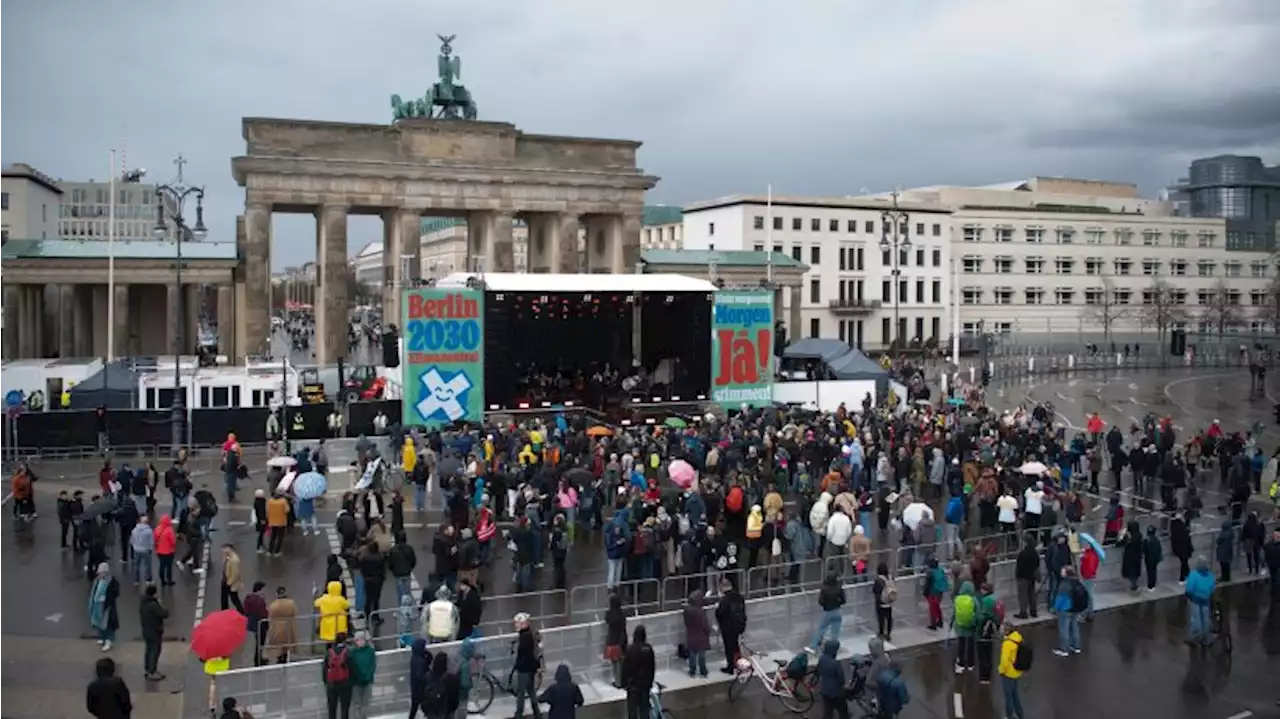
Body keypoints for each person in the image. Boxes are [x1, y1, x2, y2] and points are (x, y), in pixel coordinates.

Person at [620, 624, 655, 719]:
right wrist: (650, 682)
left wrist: (623, 683)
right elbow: (652, 667)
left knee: (632, 711)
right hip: (645, 685)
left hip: (633, 686)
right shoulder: (648, 649)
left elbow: (625, 668)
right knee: (644, 710)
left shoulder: (630, 649)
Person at [512, 613, 543, 719]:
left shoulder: (524, 637)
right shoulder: (531, 634)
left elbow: (522, 653)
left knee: (520, 693)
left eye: (517, 623)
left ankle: (518, 715)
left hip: (524, 669)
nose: (515, 625)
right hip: (531, 668)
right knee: (531, 691)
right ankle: (537, 714)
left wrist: (517, 664)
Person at [714, 578, 746, 673]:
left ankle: (730, 667)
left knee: (729, 648)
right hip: (739, 625)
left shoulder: (724, 600)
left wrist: (717, 608)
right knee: (736, 646)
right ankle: (739, 664)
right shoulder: (739, 597)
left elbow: (720, 614)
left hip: (728, 627)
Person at [138, 584, 169, 680]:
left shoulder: (143, 602)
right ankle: (152, 670)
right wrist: (160, 605)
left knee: (148, 650)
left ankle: (147, 669)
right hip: (155, 631)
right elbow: (164, 614)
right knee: (155, 651)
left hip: (146, 630)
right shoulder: (153, 605)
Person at [1052, 567, 1084, 656]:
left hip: (1065, 609)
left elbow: (1060, 598)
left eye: (1063, 571)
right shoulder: (1076, 581)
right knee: (1074, 626)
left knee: (1064, 628)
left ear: (1067, 573)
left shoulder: (1064, 584)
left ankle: (1064, 649)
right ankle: (1076, 646)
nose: (1061, 572)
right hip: (1075, 607)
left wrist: (1055, 608)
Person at [1184, 558, 1217, 645]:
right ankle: (1205, 638)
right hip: (1206, 600)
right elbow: (1213, 589)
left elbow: (1189, 588)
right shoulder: (1211, 576)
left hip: (1195, 600)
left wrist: (1188, 594)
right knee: (1205, 619)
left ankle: (1195, 638)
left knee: (1195, 619)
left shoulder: (1194, 575)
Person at [809, 572, 846, 651]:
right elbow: (844, 600)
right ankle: (834, 648)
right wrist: (838, 603)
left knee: (821, 629)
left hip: (828, 611)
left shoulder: (824, 589)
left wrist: (825, 605)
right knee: (835, 632)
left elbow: (821, 601)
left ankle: (814, 646)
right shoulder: (839, 588)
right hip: (838, 611)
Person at [89, 562, 120, 651]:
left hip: (107, 607)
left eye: (102, 572)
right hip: (98, 606)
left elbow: (116, 592)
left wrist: (106, 598)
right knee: (99, 624)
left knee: (108, 624)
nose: (100, 574)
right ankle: (103, 638)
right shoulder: (97, 580)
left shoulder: (111, 581)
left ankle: (109, 641)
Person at [322, 632, 353, 719]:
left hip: (331, 683)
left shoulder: (329, 652)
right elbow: (352, 667)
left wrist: (326, 682)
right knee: (344, 708)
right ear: (345, 640)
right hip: (345, 683)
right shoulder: (348, 652)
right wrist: (351, 681)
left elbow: (324, 669)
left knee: (332, 708)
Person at [265, 586, 298, 665]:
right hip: (288, 627)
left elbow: (270, 617)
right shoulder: (291, 603)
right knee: (287, 645)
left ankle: (280, 658)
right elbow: (294, 614)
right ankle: (285, 656)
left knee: (278, 646)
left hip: (277, 628)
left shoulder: (273, 605)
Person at [998, 628, 1027, 719]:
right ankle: (1020, 714)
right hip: (1017, 671)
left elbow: (1004, 661)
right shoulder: (1019, 638)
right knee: (1015, 695)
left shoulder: (1007, 644)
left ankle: (1009, 715)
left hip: (1008, 673)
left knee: (1008, 696)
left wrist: (1001, 670)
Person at [347, 631, 377, 719]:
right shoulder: (352, 652)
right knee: (357, 704)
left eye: (362, 640)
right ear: (355, 642)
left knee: (366, 703)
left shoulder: (370, 651)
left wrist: (369, 676)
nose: (360, 642)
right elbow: (351, 667)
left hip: (368, 681)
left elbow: (373, 665)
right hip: (356, 682)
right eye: (358, 640)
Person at [682, 589, 711, 677]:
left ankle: (692, 671)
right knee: (701, 655)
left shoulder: (686, 610)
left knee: (692, 654)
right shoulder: (700, 611)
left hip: (691, 634)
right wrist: (708, 631)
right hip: (701, 635)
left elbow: (686, 623)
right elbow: (705, 624)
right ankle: (703, 671)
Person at [816, 639, 848, 719]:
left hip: (825, 691)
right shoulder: (835, 663)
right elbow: (841, 679)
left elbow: (818, 671)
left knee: (828, 712)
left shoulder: (822, 659)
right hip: (836, 692)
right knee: (843, 711)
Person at [604, 593, 628, 688]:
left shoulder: (609, 614)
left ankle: (617, 682)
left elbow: (606, 620)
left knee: (614, 662)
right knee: (621, 662)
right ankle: (621, 681)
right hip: (621, 640)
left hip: (612, 640)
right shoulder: (622, 614)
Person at [315, 581, 350, 645]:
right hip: (339, 623)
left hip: (327, 622)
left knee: (328, 640)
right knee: (338, 640)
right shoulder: (341, 599)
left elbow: (316, 603)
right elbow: (347, 605)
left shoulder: (324, 598)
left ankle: (329, 652)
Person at [243, 581, 270, 667]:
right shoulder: (259, 600)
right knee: (260, 643)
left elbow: (246, 611)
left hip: (254, 625)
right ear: (259, 590)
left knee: (258, 642)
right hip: (261, 625)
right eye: (263, 590)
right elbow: (263, 613)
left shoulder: (249, 598)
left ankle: (258, 658)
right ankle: (258, 660)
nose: (264, 592)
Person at [952, 581, 977, 674]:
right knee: (971, 645)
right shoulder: (973, 599)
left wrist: (951, 623)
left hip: (960, 627)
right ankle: (971, 664)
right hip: (971, 626)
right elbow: (977, 613)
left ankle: (961, 664)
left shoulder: (957, 599)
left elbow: (954, 613)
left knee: (961, 646)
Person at [872, 562, 895, 641]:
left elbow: (875, 591)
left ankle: (881, 633)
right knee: (889, 618)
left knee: (881, 618)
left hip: (881, 602)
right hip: (889, 601)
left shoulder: (878, 580)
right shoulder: (890, 577)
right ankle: (888, 634)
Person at [154, 514, 177, 587]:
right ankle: (169, 581)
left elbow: (154, 539)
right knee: (169, 567)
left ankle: (162, 581)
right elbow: (173, 541)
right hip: (169, 551)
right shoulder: (169, 530)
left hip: (159, 551)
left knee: (162, 565)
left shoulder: (157, 529)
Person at [221, 544, 244, 613]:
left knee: (234, 599)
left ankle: (241, 612)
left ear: (230, 549)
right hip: (226, 580)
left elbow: (235, 574)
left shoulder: (234, 560)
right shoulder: (228, 557)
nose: (223, 551)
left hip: (230, 582)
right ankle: (225, 611)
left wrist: (229, 583)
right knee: (226, 598)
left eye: (224, 549)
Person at [1142, 525, 1164, 591]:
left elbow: (1144, 550)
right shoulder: (1156, 540)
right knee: (1153, 571)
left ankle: (1150, 585)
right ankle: (1152, 585)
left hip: (1149, 558)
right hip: (1155, 558)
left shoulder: (1147, 540)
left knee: (1150, 572)